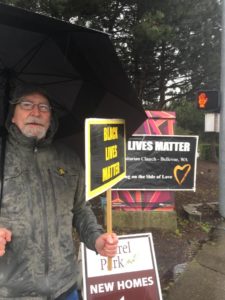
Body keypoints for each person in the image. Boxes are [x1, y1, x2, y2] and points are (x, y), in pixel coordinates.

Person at [0, 85, 118, 299]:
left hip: (65, 287)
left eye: (43, 107)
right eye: (26, 104)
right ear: (12, 115)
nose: (36, 112)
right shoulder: (2, 157)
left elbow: (80, 210)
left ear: (51, 117)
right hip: (10, 291)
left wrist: (97, 238)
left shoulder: (69, 159)